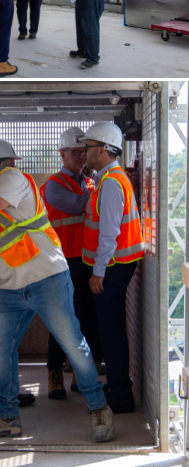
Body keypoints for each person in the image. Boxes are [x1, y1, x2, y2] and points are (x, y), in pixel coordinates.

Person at [0, 137, 114, 443]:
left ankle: (100, 409)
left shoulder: (9, 179)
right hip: (10, 288)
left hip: (47, 278)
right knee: (1, 350)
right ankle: (8, 417)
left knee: (73, 345)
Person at [81, 121, 145, 413]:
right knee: (112, 327)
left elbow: (108, 233)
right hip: (118, 264)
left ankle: (120, 395)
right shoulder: (111, 178)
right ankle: (118, 387)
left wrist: (98, 272)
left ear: (104, 150)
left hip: (113, 266)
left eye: (89, 147)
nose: (85, 152)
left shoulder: (110, 182)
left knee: (111, 330)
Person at [40, 127, 101, 400]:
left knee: (86, 317)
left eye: (83, 152)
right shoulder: (54, 185)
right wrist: (103, 196)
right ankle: (54, 373)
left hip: (85, 260)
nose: (81, 157)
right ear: (62, 154)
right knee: (61, 318)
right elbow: (82, 207)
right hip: (61, 262)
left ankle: (79, 373)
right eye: (75, 152)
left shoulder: (87, 183)